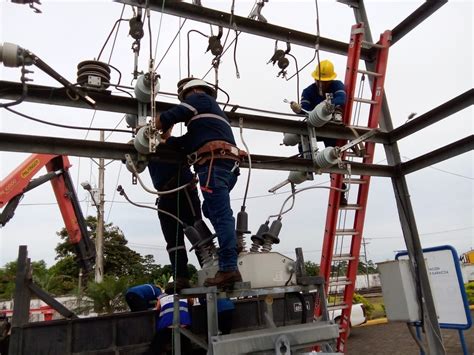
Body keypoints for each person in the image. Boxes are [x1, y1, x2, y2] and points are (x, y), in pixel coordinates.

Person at [154, 78, 245, 289]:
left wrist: (152, 126)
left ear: (193, 91)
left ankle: (229, 266)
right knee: (211, 209)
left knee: (221, 215)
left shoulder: (199, 97)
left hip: (213, 164)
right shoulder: (205, 124)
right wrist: (164, 140)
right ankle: (230, 244)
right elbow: (183, 144)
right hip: (226, 166)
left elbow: (171, 115)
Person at [148, 125, 202, 291]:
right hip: (165, 196)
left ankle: (211, 269)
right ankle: (181, 276)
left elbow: (194, 145)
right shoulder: (147, 144)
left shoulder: (178, 144)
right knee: (173, 241)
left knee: (199, 235)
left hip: (184, 192)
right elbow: (128, 152)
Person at [290, 59, 347, 148]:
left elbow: (341, 99)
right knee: (303, 140)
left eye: (325, 82)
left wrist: (324, 105)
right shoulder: (308, 91)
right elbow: (305, 110)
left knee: (332, 152)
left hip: (331, 127)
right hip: (313, 126)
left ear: (331, 80)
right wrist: (299, 110)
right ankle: (305, 160)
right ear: (315, 78)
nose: (321, 84)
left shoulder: (337, 85)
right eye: (319, 81)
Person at [147, 282, 192, 355]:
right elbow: (191, 303)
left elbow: (157, 308)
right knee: (186, 345)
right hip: (184, 325)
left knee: (155, 347)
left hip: (167, 326)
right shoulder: (184, 296)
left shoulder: (161, 297)